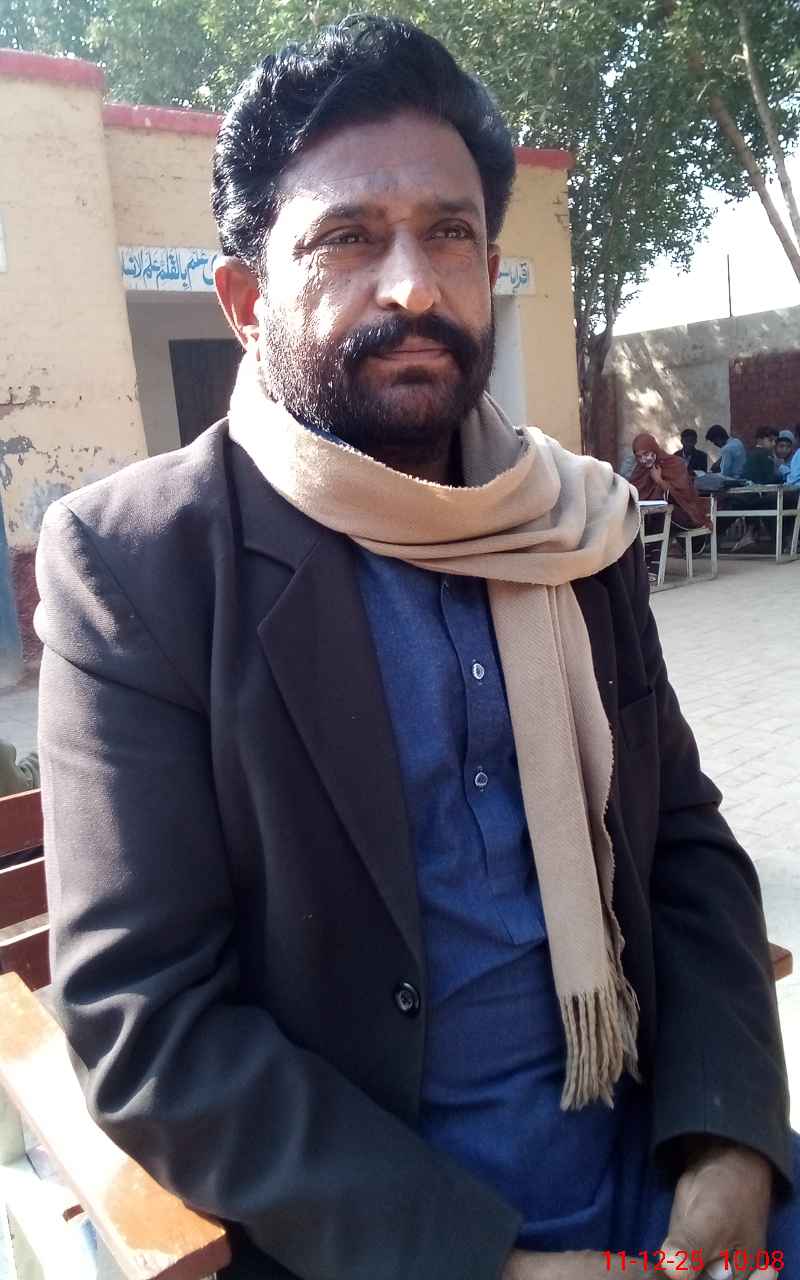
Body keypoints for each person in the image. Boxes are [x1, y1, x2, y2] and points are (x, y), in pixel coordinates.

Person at [34, 19, 797, 1280]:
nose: (412, 286)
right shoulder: (141, 567)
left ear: (488, 267)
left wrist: (729, 1143)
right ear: (244, 300)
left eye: (448, 235)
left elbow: (683, 843)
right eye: (346, 237)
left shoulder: (573, 524)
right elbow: (145, 1021)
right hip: (383, 1238)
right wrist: (478, 1263)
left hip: (658, 1177)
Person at [630, 432, 711, 534]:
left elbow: (685, 497)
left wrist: (660, 481)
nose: (643, 460)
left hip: (682, 513)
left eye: (646, 454)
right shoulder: (640, 471)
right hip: (649, 515)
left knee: (659, 517)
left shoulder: (675, 464)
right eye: (638, 457)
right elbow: (633, 495)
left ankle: (654, 544)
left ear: (654, 449)